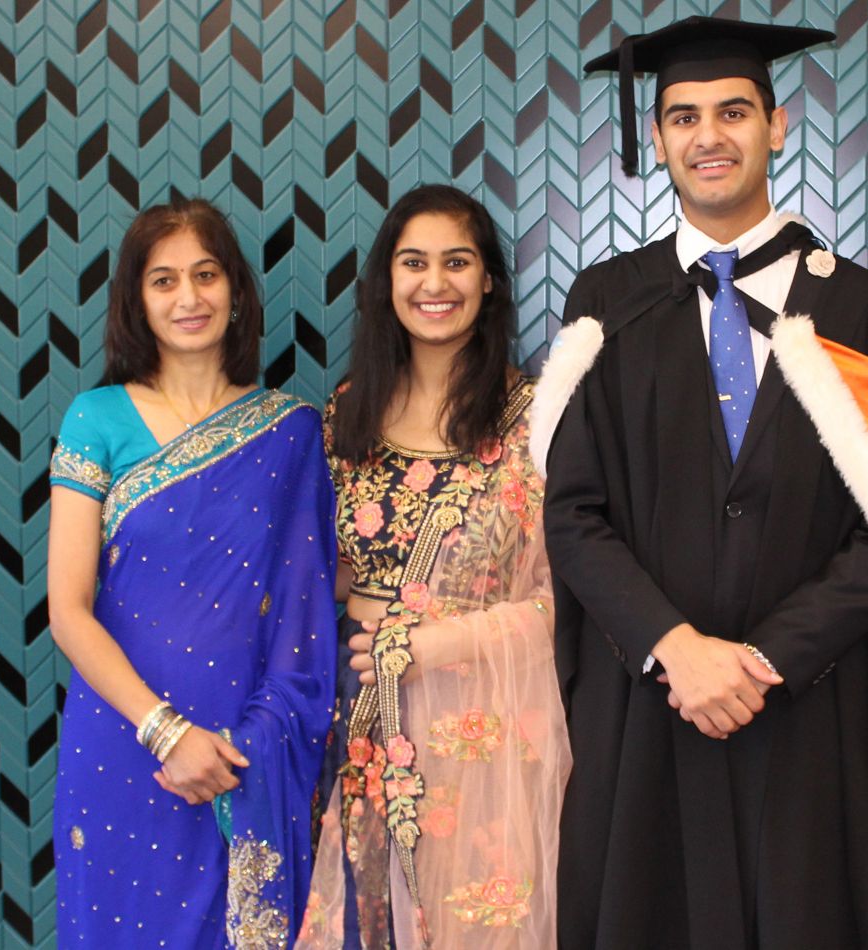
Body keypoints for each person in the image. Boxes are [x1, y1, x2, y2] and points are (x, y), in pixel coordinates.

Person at [533, 17, 868, 950]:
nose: (707, 136)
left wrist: (762, 662)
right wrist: (675, 647)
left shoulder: (865, 309)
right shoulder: (605, 302)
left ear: (778, 123)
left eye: (732, 111)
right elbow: (574, 514)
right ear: (657, 139)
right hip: (650, 708)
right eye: (682, 117)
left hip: (812, 709)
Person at [47, 197, 337, 947]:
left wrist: (250, 737)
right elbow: (67, 609)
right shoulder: (96, 418)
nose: (188, 298)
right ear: (137, 301)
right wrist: (165, 731)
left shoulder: (290, 429)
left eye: (206, 275)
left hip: (243, 749)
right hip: (123, 740)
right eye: (164, 280)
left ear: (235, 290)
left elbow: (305, 612)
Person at [297, 184, 570, 949]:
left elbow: (568, 597)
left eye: (458, 262)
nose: (435, 283)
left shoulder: (536, 421)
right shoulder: (347, 411)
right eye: (414, 263)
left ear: (488, 281)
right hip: (358, 723)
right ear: (388, 281)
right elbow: (333, 570)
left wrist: (433, 644)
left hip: (481, 734)